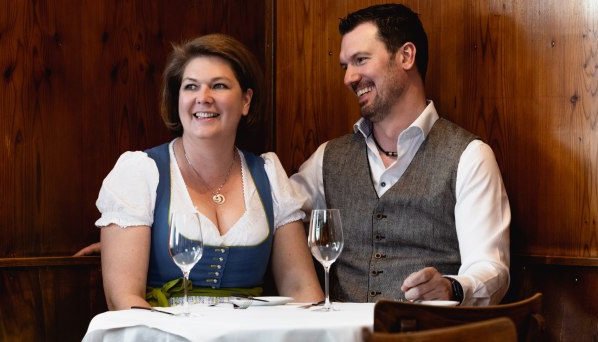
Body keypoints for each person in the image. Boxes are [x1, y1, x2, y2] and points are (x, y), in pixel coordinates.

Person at [290, 3, 511, 306]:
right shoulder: (326, 159)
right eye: (346, 66)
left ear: (406, 56)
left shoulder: (470, 157)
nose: (349, 78)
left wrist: (451, 288)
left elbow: (490, 268)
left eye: (361, 60)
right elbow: (279, 218)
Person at [95, 33, 322, 310]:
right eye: (191, 87)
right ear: (177, 98)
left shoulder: (268, 174)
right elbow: (124, 300)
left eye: (219, 86)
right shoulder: (140, 172)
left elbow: (302, 289)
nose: (203, 98)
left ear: (246, 101)